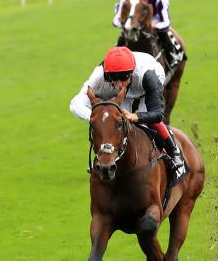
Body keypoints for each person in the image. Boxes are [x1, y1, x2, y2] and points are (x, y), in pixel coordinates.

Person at [70, 46, 187, 186]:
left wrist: (136, 116)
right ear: (107, 75)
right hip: (124, 87)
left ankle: (175, 153)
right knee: (116, 124)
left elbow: (158, 114)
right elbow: (75, 104)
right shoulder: (99, 75)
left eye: (124, 78)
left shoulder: (149, 76)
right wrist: (98, 120)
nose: (119, 84)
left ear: (131, 74)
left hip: (143, 85)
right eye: (115, 78)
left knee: (143, 123)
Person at [112, 0, 184, 70]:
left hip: (155, 17)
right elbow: (116, 20)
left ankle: (174, 55)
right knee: (123, 36)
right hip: (134, 18)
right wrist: (126, 23)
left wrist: (155, 25)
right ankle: (113, 61)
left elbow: (166, 23)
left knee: (165, 32)